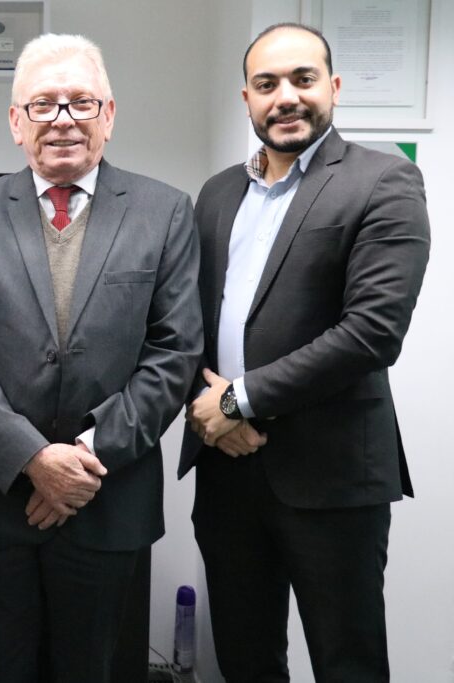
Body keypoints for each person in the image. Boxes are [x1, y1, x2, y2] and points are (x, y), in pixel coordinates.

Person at [0, 33, 203, 683]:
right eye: (44, 105)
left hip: (108, 498)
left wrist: (82, 459)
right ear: (16, 123)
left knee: (92, 669)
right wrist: (32, 459)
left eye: (80, 102)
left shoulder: (165, 213)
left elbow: (174, 351)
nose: (63, 119)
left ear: (109, 114)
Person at [180, 23, 430, 682]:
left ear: (334, 88)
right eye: (267, 84)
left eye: (302, 79)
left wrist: (238, 398)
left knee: (346, 661)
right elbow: (187, 324)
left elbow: (373, 330)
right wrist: (206, 411)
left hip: (332, 476)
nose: (284, 96)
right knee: (244, 657)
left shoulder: (384, 181)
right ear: (247, 99)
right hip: (228, 473)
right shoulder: (217, 194)